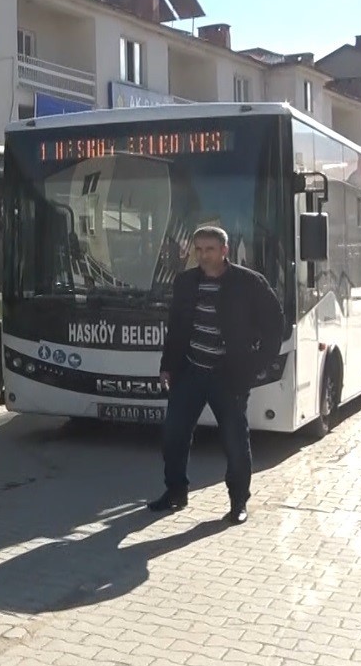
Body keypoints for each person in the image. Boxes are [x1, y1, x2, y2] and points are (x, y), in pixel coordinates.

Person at [149, 225, 284, 525]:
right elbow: (176, 328)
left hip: (229, 377)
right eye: (198, 249)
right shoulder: (185, 283)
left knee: (235, 442)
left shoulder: (249, 283)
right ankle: (175, 492)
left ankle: (238, 503)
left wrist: (252, 367)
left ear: (224, 251)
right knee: (173, 434)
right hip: (190, 372)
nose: (203, 255)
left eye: (209, 249)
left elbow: (275, 327)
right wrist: (167, 366)